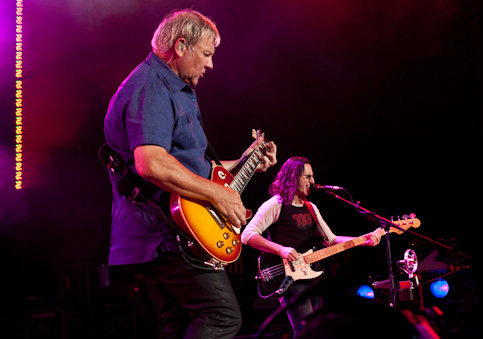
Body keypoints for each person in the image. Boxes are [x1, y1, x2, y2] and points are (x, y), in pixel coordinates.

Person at [103, 9, 277, 339]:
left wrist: (245, 162)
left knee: (178, 325)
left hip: (171, 234)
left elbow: (193, 168)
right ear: (181, 46)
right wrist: (217, 194)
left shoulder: (176, 88)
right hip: (167, 236)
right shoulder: (151, 86)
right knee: (222, 316)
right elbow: (151, 163)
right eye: (207, 54)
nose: (210, 65)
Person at [241, 156, 380, 337]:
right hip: (290, 279)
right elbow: (247, 235)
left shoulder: (311, 207)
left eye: (312, 176)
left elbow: (330, 240)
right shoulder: (276, 204)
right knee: (307, 332)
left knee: (318, 330)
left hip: (312, 278)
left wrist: (363, 239)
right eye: (307, 176)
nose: (312, 181)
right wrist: (281, 249)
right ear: (292, 177)